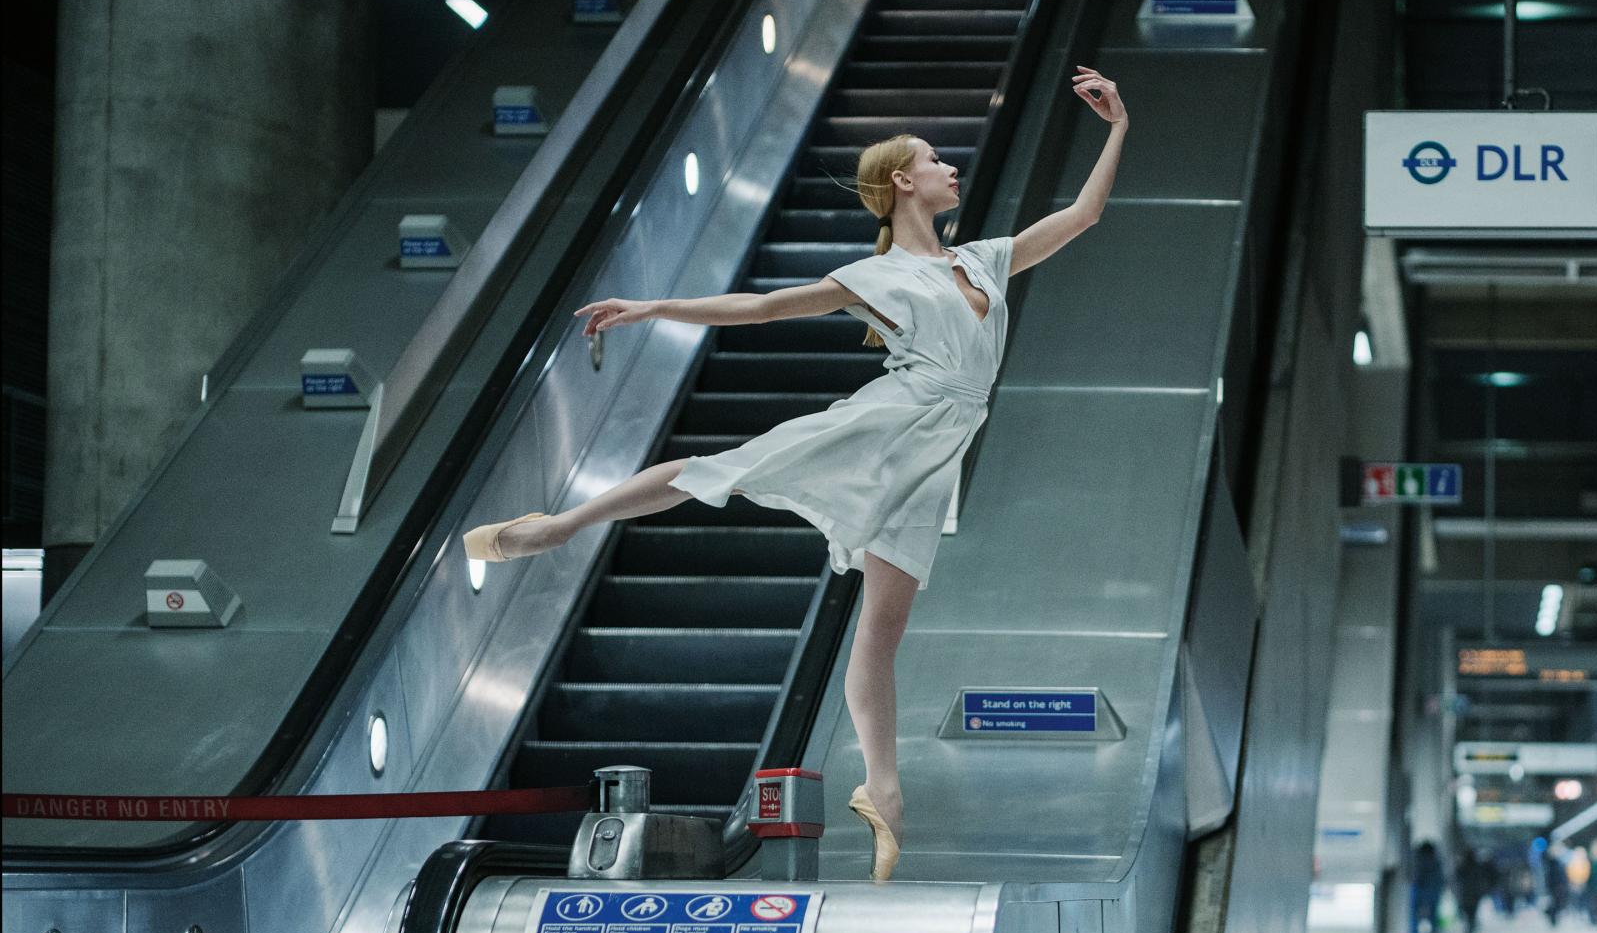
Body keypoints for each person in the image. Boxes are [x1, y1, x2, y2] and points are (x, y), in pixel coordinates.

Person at [460, 65, 1133, 884]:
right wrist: (653, 309)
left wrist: (1116, 127)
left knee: (881, 629)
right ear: (901, 182)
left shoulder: (985, 258)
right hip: (890, 422)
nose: (951, 167)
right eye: (935, 159)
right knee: (728, 468)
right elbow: (765, 307)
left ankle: (882, 791)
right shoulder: (877, 275)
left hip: (938, 452)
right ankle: (558, 525)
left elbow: (1086, 215)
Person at [1409, 839, 1446, 933]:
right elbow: (1441, 877)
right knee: (1433, 912)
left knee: (1414, 912)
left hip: (1420, 888)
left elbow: (1417, 875)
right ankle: (1433, 932)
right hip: (1433, 890)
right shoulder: (1437, 860)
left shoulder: (1418, 859)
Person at [1455, 846, 1494, 933]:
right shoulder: (1477, 865)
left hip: (1466, 892)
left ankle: (1469, 927)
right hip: (1475, 893)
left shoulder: (1462, 865)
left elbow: (1457, 876)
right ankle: (1471, 926)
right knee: (1473, 911)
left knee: (1467, 911)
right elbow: (1483, 877)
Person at [1542, 846, 1570, 927]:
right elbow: (1549, 877)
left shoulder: (1560, 862)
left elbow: (1563, 875)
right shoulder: (1551, 863)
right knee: (1554, 904)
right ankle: (1552, 918)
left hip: (1560, 886)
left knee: (1559, 904)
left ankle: (1551, 916)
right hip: (1554, 886)